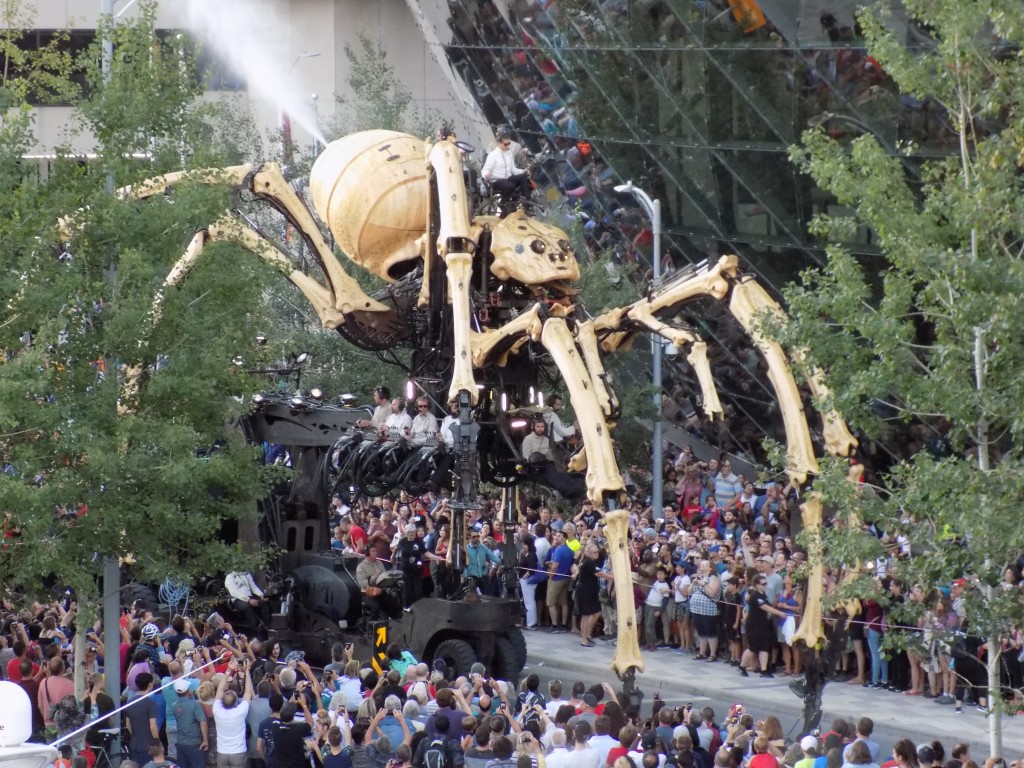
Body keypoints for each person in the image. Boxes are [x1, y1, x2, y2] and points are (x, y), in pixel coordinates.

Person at [212, 659, 254, 768]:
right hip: (238, 753)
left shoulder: (217, 710)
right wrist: (247, 672)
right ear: (236, 702)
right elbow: (248, 692)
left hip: (222, 753)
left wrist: (228, 670)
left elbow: (219, 691)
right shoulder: (240, 712)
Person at [481, 130, 531, 203]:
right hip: (497, 180)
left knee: (522, 177)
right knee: (510, 186)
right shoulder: (492, 155)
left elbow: (513, 169)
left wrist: (523, 171)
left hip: (508, 178)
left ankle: (526, 200)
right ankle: (503, 204)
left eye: (509, 144)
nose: (508, 146)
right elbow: (485, 169)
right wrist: (486, 174)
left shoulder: (509, 153)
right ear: (499, 143)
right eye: (505, 144)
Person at [171, 678, 209, 768]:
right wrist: (205, 740)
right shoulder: (195, 705)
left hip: (180, 743)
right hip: (194, 744)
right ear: (187, 690)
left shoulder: (174, 706)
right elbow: (203, 723)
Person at [126, 673, 161, 766]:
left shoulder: (130, 702)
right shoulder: (150, 703)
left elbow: (128, 725)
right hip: (148, 745)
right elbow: (153, 726)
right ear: (150, 684)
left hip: (134, 743)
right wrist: (157, 741)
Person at [225, 572, 270, 636]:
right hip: (238, 599)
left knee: (263, 603)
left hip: (250, 597)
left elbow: (253, 587)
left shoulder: (246, 574)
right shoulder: (230, 577)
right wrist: (248, 600)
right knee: (247, 607)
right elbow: (234, 592)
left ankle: (267, 626)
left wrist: (261, 595)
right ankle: (256, 629)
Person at [357, 544, 390, 620]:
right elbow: (362, 583)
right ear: (367, 553)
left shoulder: (379, 563)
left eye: (376, 551)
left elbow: (384, 575)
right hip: (367, 594)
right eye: (373, 551)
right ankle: (371, 626)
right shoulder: (361, 566)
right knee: (376, 607)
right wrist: (373, 577)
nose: (376, 553)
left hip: (380, 591)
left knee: (391, 602)